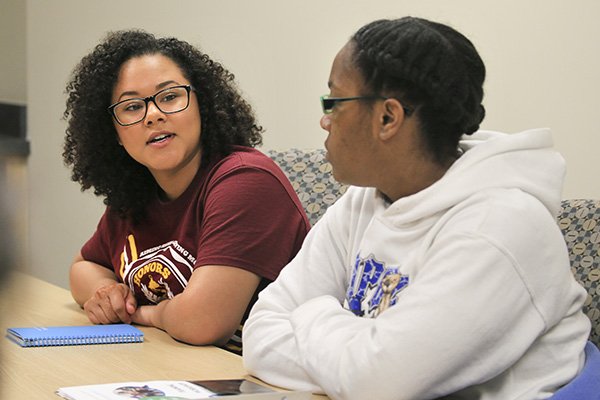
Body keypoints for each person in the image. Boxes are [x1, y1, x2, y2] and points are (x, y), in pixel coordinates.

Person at [243, 17, 599, 399]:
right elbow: (260, 336)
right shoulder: (364, 199)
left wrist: (314, 313)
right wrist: (358, 364)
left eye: (333, 101)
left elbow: (378, 384)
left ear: (388, 118)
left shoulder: (500, 228)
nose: (324, 120)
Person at [63, 30, 309, 354]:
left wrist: (145, 313)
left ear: (201, 105)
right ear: (115, 134)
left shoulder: (246, 181)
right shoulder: (135, 197)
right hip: (174, 368)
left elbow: (203, 322)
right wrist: (108, 293)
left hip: (263, 380)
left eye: (169, 97)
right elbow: (83, 267)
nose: (153, 115)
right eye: (132, 107)